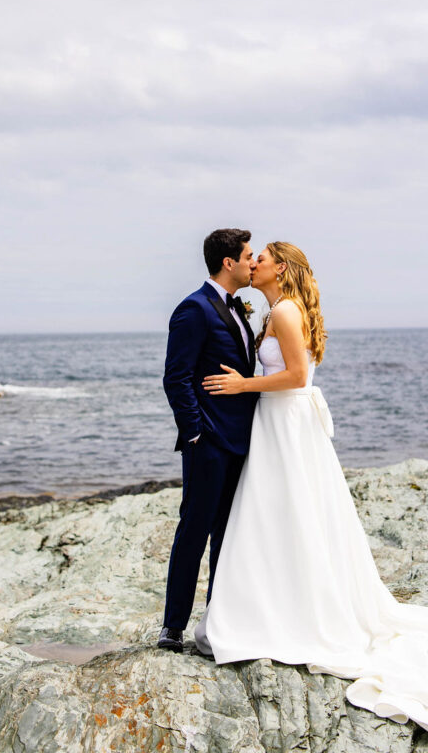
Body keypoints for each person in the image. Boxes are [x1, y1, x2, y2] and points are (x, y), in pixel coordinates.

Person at [193, 241, 428, 745]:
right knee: (283, 514)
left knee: (285, 512)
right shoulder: (279, 308)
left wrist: (243, 386)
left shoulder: (284, 310)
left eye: (261, 256)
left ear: (280, 268)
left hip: (286, 422)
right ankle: (276, 601)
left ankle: (291, 610)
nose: (253, 262)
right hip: (282, 425)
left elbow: (297, 376)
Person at [157, 228, 257, 653]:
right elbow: (175, 377)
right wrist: (195, 432)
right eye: (249, 256)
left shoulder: (238, 308)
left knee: (228, 535)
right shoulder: (194, 309)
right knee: (194, 530)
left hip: (244, 442)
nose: (254, 263)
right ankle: (173, 627)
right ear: (228, 262)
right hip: (210, 442)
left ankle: (216, 621)